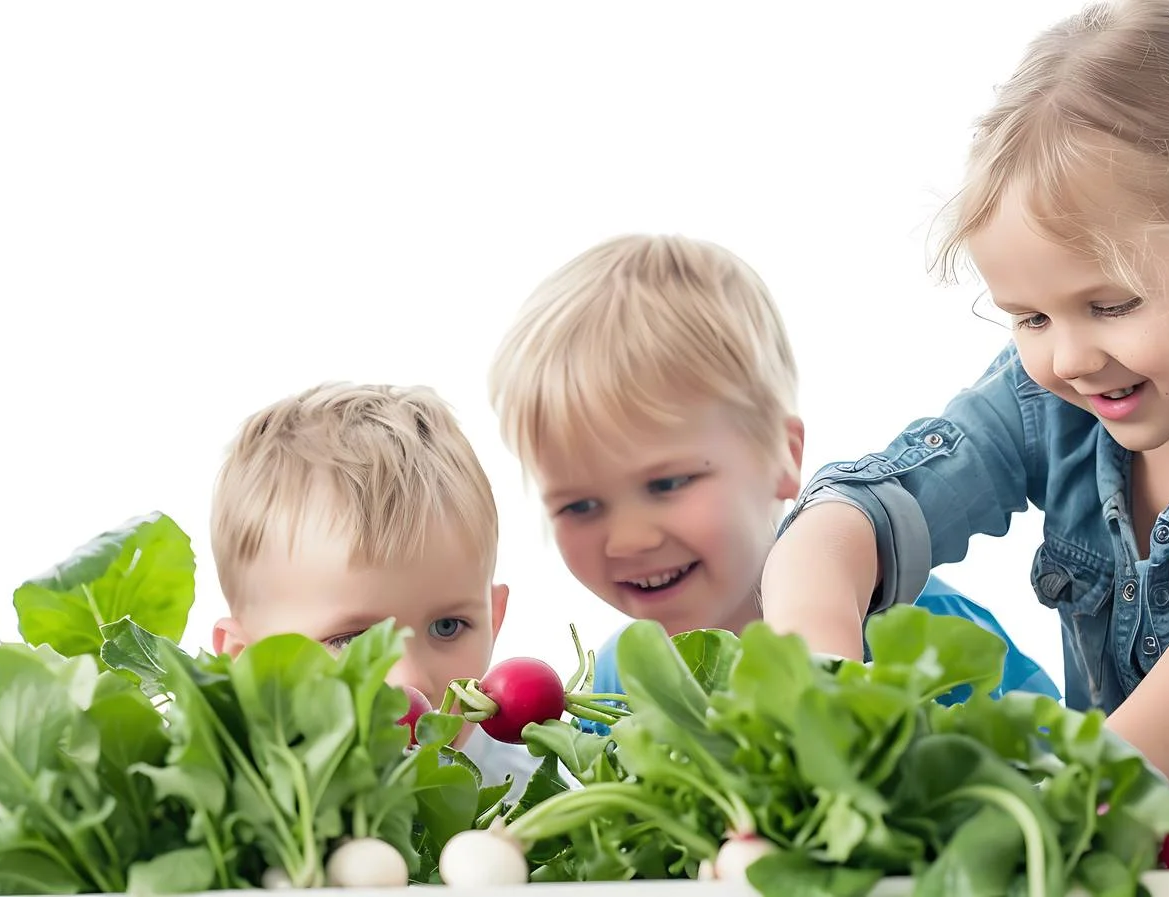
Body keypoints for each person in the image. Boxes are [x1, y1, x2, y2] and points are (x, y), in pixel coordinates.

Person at [757, 0, 1169, 781]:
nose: (1068, 357)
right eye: (1031, 316)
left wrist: (1076, 800)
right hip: (1132, 850)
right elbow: (850, 514)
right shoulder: (1051, 407)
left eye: (1111, 305)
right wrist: (821, 688)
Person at [486, 233, 1060, 720]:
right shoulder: (609, 693)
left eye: (666, 485)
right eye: (580, 507)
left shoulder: (927, 640)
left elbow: (1070, 791)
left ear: (784, 460)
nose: (630, 538)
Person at [207, 381, 549, 797]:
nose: (410, 681)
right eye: (351, 640)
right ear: (245, 661)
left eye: (447, 627)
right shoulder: (225, 801)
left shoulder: (531, 793)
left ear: (494, 621)